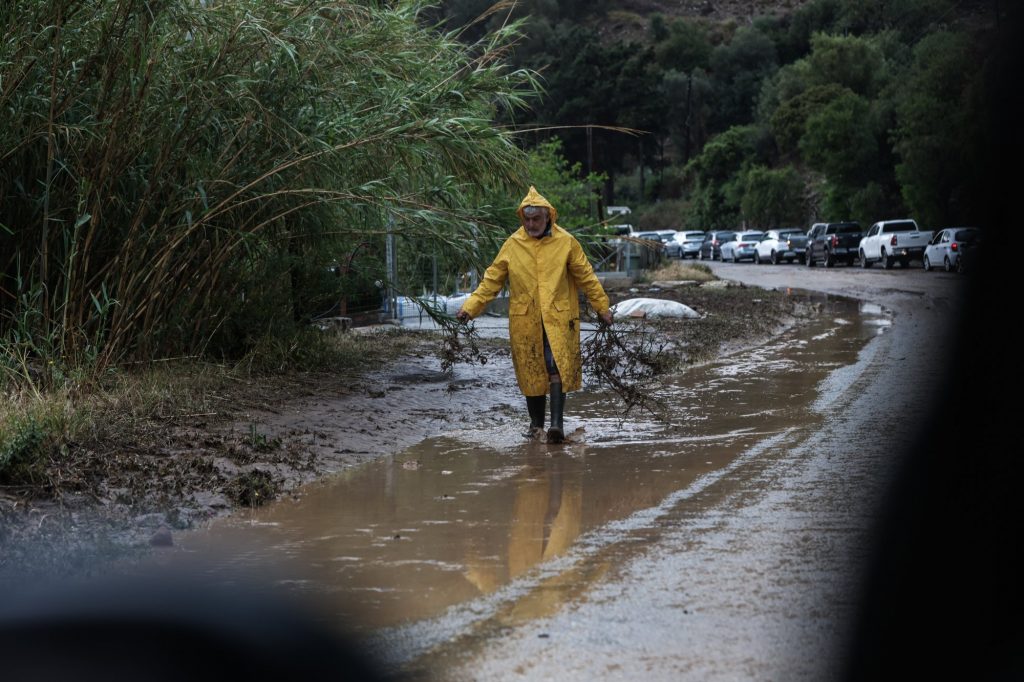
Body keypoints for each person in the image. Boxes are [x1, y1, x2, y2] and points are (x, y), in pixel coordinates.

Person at [456, 186, 613, 443]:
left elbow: (587, 277)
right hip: (525, 321)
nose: (531, 224)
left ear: (548, 216)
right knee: (531, 373)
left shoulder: (566, 242)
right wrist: (470, 308)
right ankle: (536, 426)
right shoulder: (513, 244)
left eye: (536, 219)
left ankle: (556, 427)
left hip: (559, 319)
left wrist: (602, 308)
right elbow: (491, 281)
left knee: (556, 367)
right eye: (527, 219)